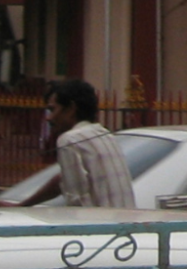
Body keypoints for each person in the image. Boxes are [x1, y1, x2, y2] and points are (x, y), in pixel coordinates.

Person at [47, 78, 135, 208]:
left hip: (99, 220)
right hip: (127, 217)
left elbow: (76, 198)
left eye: (52, 110)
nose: (49, 117)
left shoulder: (69, 140)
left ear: (71, 108)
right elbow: (62, 181)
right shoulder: (105, 134)